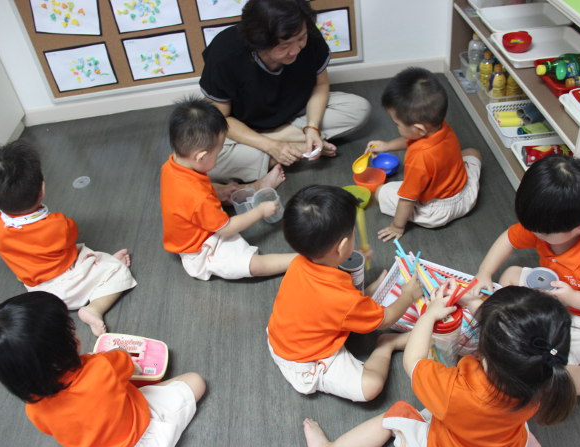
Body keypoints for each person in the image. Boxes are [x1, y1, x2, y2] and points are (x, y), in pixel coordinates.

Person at [303, 285, 577, 447]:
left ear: (487, 352)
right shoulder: (546, 377)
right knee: (517, 424)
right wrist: (474, 303)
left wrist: (428, 317)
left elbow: (414, 361)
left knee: (395, 414)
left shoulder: (455, 390)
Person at [473, 155, 580, 396]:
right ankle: (531, 362)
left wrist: (572, 298)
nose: (534, 235)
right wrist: (483, 273)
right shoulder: (544, 224)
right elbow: (508, 239)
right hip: (549, 299)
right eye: (532, 229)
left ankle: (538, 380)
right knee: (510, 274)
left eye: (543, 234)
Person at [0, 291, 205, 447]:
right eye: (70, 330)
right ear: (61, 352)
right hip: (144, 443)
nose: (75, 332)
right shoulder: (101, 366)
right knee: (195, 381)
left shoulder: (34, 409)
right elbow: (127, 363)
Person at [267, 185, 423, 402]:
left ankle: (368, 301)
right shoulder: (342, 300)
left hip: (282, 335)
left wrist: (357, 273)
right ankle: (385, 346)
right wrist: (408, 295)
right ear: (341, 247)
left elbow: (331, 303)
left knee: (349, 306)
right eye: (352, 235)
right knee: (370, 387)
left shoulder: (299, 262)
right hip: (304, 361)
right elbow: (385, 320)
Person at [0, 141, 136, 336]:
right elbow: (72, 237)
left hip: (44, 295)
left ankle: (100, 269)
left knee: (86, 255)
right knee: (118, 271)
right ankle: (95, 308)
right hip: (71, 280)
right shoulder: (59, 224)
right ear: (42, 189)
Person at [199, 0, 371, 183]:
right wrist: (270, 146)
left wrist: (312, 127)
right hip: (244, 124)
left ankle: (289, 148)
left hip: (297, 112)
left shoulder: (305, 32)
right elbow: (221, 119)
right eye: (284, 46)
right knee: (211, 163)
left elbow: (320, 86)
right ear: (259, 42)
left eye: (301, 39)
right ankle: (289, 149)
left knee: (359, 108)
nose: (296, 50)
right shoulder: (225, 54)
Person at [161, 97, 296, 280]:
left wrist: (219, 190)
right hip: (200, 249)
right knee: (253, 265)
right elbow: (226, 229)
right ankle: (298, 260)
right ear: (200, 157)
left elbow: (194, 189)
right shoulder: (197, 198)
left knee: (225, 196)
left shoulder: (172, 165)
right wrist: (260, 211)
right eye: (217, 153)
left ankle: (256, 186)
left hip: (196, 219)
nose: (218, 157)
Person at [368, 67, 482, 241]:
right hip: (466, 193)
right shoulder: (441, 126)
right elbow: (412, 139)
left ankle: (408, 219)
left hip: (438, 211)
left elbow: (407, 200)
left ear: (419, 129)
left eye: (397, 124)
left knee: (380, 192)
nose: (396, 127)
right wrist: (387, 146)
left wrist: (397, 226)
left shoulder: (417, 159)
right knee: (472, 152)